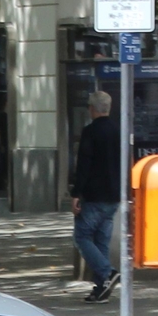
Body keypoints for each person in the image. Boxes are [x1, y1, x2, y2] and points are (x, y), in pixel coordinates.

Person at [70, 90, 123, 302]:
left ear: (93, 109)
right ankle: (102, 287)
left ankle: (108, 272)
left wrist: (76, 193)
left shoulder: (90, 132)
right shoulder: (117, 130)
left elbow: (84, 164)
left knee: (82, 237)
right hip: (113, 194)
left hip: (94, 194)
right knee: (101, 240)